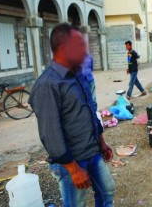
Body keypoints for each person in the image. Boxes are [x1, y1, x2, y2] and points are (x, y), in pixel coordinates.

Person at [28, 23, 115, 207]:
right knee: (76, 204)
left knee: (107, 191)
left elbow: (89, 110)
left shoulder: (77, 75)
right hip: (72, 161)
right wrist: (73, 169)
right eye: (79, 46)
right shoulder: (48, 84)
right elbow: (50, 134)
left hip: (92, 151)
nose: (85, 51)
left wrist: (101, 142)